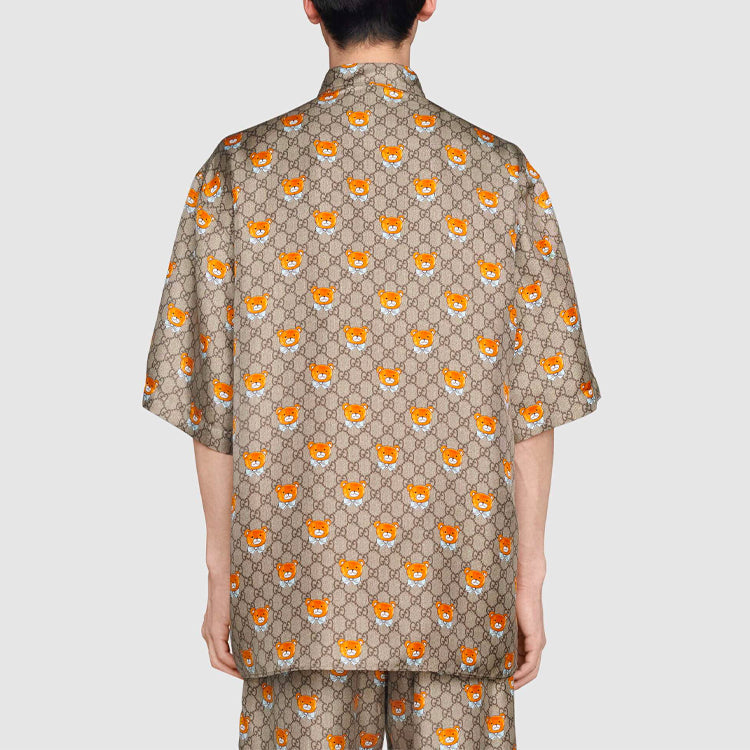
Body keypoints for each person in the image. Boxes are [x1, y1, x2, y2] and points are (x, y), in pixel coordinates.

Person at [142, 0, 601, 746]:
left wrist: (222, 574)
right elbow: (535, 403)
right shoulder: (501, 174)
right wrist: (528, 577)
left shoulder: (237, 172)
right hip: (458, 584)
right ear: (427, 4)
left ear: (310, 6)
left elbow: (209, 402)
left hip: (296, 590)